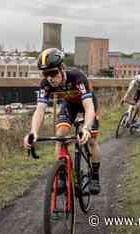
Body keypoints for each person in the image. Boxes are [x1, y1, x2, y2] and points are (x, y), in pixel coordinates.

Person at [23, 48, 101, 195]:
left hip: (87, 104)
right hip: (70, 104)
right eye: (46, 74)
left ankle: (95, 176)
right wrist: (33, 132)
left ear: (62, 69)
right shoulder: (45, 85)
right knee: (60, 135)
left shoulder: (77, 77)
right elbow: (39, 110)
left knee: (91, 140)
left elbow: (89, 107)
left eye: (53, 73)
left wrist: (87, 128)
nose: (50, 78)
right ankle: (61, 175)